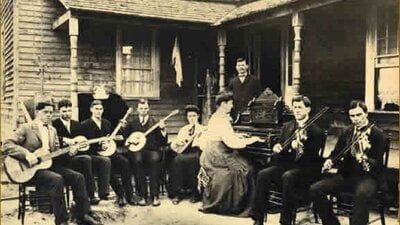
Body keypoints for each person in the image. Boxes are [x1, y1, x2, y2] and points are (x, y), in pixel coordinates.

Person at [2, 100, 101, 225]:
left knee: (78, 177)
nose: (49, 115)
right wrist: (27, 155)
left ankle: (83, 215)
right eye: (45, 112)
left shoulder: (52, 130)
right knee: (57, 179)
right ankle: (62, 221)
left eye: (51, 112)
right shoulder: (26, 128)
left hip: (49, 165)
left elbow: (55, 153)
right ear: (38, 112)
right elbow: (7, 144)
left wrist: (70, 152)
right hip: (31, 170)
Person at [249, 95, 325, 225]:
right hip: (286, 165)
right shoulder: (287, 126)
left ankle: (286, 221)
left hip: (304, 169)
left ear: (308, 109)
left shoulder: (316, 131)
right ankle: (258, 217)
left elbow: (312, 159)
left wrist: (301, 147)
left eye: (300, 107)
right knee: (263, 174)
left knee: (288, 176)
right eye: (295, 107)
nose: (297, 110)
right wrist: (277, 147)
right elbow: (281, 146)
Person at [309, 100, 388, 225]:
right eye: (352, 116)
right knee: (315, 189)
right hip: (347, 175)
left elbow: (377, 163)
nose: (356, 119)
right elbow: (337, 152)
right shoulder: (348, 132)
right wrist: (330, 160)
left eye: (359, 115)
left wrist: (365, 158)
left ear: (366, 114)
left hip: (369, 178)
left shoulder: (378, 135)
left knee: (361, 195)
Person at [198, 91, 263, 216]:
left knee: (244, 163)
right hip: (217, 155)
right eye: (231, 103)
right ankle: (240, 206)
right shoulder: (222, 120)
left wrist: (238, 135)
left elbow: (224, 136)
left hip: (212, 152)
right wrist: (252, 139)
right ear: (223, 104)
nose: (232, 106)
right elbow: (232, 143)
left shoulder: (216, 116)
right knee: (246, 169)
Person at [52, 99, 99, 205]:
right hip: (61, 159)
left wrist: (81, 146)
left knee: (86, 159)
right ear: (58, 111)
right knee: (85, 160)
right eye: (64, 111)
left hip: (76, 156)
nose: (67, 114)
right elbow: (52, 139)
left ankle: (90, 195)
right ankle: (83, 197)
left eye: (69, 111)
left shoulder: (77, 124)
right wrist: (65, 140)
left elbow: (83, 141)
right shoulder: (53, 125)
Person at [123, 99, 168, 206]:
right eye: (141, 108)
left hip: (152, 150)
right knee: (137, 161)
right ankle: (142, 195)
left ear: (149, 109)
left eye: (145, 108)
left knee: (154, 160)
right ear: (138, 109)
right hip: (137, 150)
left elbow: (163, 141)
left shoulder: (155, 122)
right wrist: (125, 133)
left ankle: (155, 196)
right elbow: (125, 137)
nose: (143, 110)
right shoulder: (132, 122)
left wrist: (163, 130)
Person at [169, 105, 206, 204]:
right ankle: (178, 193)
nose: (192, 118)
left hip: (196, 152)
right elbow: (176, 144)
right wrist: (179, 143)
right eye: (190, 116)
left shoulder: (203, 129)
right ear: (187, 117)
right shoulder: (184, 129)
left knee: (194, 161)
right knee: (176, 161)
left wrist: (198, 139)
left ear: (198, 116)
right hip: (184, 152)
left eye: (194, 116)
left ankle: (194, 193)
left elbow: (204, 145)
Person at [79, 100, 112, 202]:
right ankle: (92, 194)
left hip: (104, 152)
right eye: (96, 109)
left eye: (100, 109)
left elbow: (109, 138)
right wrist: (99, 145)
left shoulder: (106, 123)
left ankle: (103, 193)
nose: (98, 111)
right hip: (90, 153)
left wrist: (107, 144)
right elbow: (84, 143)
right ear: (91, 110)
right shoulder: (85, 124)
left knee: (108, 160)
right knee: (104, 160)